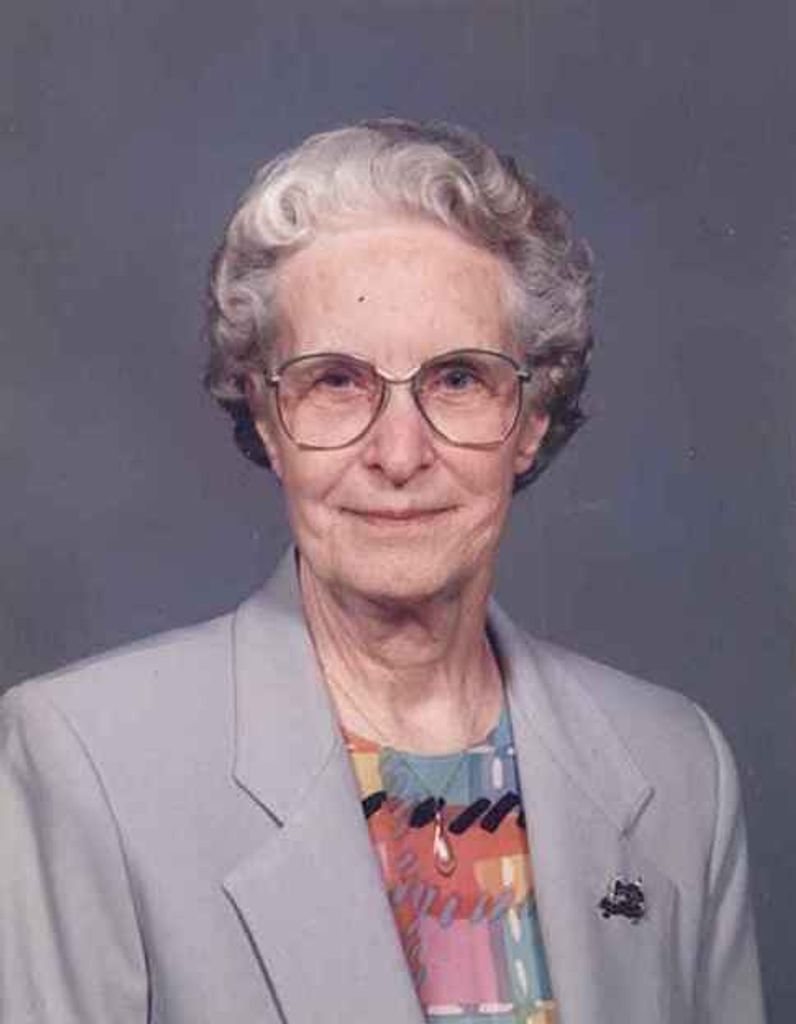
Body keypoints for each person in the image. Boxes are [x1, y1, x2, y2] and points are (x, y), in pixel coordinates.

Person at [0, 119, 765, 1024]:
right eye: (336, 380)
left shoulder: (678, 769)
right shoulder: (85, 761)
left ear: (532, 419)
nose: (399, 454)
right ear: (267, 418)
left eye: (457, 379)